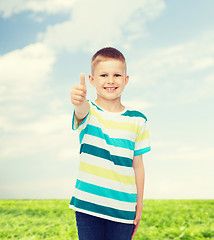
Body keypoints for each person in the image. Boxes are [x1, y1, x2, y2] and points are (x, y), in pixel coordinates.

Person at [69, 47, 151, 240]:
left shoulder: (138, 119)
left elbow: (138, 165)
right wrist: (78, 101)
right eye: (103, 75)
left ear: (126, 79)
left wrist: (139, 203)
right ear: (92, 80)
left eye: (116, 75)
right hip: (88, 205)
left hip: (123, 208)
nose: (110, 80)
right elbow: (80, 110)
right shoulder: (89, 111)